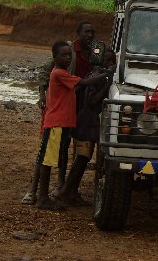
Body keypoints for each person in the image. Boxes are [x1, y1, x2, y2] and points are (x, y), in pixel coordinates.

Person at [22, 21, 96, 204]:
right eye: (86, 32)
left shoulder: (96, 53)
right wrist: (43, 96)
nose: (90, 36)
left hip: (81, 109)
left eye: (92, 32)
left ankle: (65, 188)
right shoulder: (67, 51)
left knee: (74, 150)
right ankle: (35, 191)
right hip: (62, 109)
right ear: (77, 34)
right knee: (48, 152)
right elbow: (45, 72)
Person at [35, 41, 111, 210]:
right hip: (56, 123)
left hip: (62, 123)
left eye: (69, 54)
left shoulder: (61, 74)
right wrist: (108, 76)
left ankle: (47, 195)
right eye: (64, 55)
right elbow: (83, 83)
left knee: (54, 158)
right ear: (54, 57)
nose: (68, 57)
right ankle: (42, 198)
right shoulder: (59, 73)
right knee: (47, 160)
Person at [56, 49, 116, 206]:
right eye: (109, 60)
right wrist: (107, 85)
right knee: (82, 158)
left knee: (83, 158)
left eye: (113, 61)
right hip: (87, 122)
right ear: (102, 61)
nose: (112, 64)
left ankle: (71, 192)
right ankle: (65, 191)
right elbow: (92, 100)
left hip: (86, 121)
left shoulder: (94, 73)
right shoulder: (99, 76)